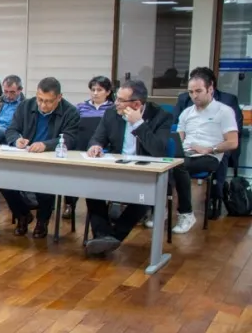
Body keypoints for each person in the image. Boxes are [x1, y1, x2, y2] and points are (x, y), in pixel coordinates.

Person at [83, 80, 173, 257]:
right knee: (92, 189)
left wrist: (139, 124)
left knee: (143, 197)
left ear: (137, 104)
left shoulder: (160, 116)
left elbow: (158, 150)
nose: (115, 103)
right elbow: (96, 138)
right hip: (117, 168)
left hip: (146, 173)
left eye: (121, 100)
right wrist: (96, 146)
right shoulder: (111, 114)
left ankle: (112, 237)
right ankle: (104, 236)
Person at [0, 77, 79, 238]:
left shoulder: (70, 112)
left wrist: (46, 145)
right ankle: (22, 215)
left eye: (48, 101)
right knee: (2, 180)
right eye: (40, 99)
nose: (43, 105)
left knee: (46, 183)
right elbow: (11, 129)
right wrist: (17, 140)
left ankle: (42, 221)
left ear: (59, 98)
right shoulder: (25, 106)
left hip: (52, 162)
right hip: (26, 157)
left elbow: (70, 138)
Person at [167, 69, 239, 234]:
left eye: (198, 91)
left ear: (210, 89)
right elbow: (178, 138)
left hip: (209, 156)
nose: (194, 96)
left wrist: (210, 148)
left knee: (179, 166)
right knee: (164, 165)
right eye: (191, 92)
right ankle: (160, 209)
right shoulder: (187, 112)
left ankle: (186, 213)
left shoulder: (224, 111)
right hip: (186, 152)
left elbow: (233, 142)